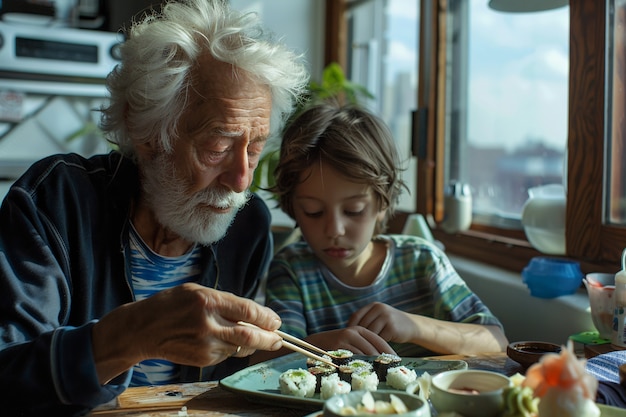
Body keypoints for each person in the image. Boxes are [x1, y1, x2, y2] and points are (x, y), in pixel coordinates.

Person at [0, 0, 308, 414]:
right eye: (217, 148)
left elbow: (232, 376)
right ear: (147, 131)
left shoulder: (247, 227)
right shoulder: (54, 203)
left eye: (253, 150)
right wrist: (133, 335)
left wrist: (312, 356)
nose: (241, 180)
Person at [254, 102, 508, 363]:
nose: (334, 230)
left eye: (354, 210)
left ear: (382, 204)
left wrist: (414, 327)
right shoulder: (292, 270)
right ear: (293, 208)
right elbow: (267, 360)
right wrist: (322, 346)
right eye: (313, 212)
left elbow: (496, 341)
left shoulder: (421, 260)